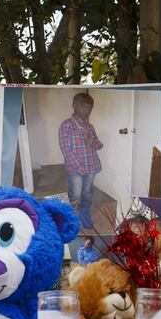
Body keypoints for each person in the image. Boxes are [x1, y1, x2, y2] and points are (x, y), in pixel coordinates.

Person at [59, 92, 103, 229]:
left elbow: (98, 145)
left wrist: (90, 141)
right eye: (83, 107)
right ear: (74, 106)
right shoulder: (67, 125)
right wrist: (80, 168)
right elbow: (66, 150)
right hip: (75, 168)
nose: (87, 110)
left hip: (91, 166)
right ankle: (72, 215)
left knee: (87, 191)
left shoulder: (90, 127)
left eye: (90, 107)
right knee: (75, 193)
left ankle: (85, 210)